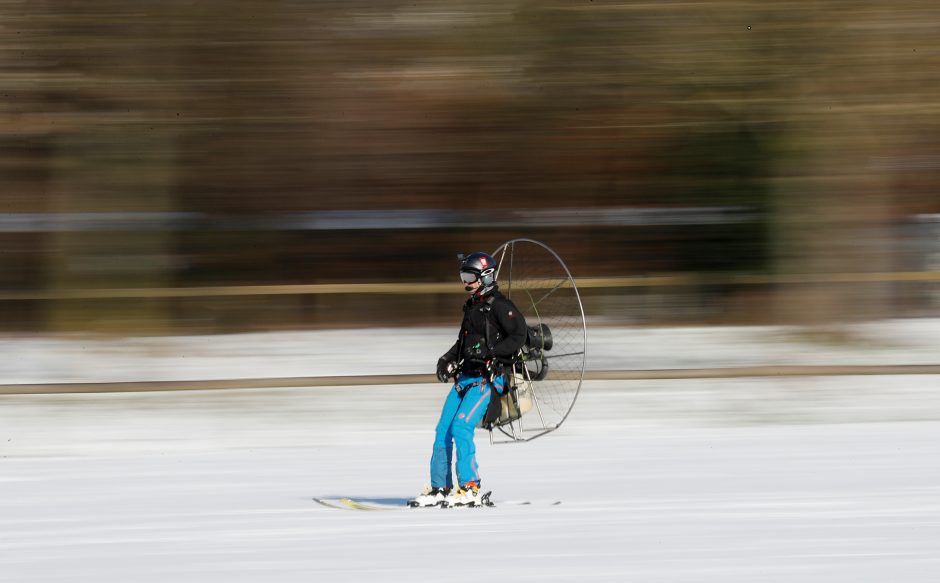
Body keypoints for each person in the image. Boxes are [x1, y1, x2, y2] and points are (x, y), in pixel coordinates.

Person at [409, 251, 528, 508]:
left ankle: (471, 487)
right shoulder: (473, 307)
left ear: (485, 277)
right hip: (464, 379)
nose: (465, 282)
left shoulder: (500, 306)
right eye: (463, 276)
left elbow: (519, 336)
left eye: (470, 277)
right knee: (443, 431)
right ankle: (440, 488)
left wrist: (493, 353)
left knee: (462, 428)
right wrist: (447, 359)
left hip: (487, 380)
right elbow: (463, 343)